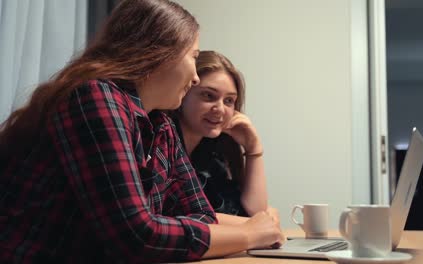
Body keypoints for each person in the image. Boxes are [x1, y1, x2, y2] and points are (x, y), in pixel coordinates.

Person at [0, 1, 283, 263]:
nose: (195, 76)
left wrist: (250, 228)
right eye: (192, 57)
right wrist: (248, 234)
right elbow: (136, 236)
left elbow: (200, 214)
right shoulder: (95, 97)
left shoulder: (161, 123)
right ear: (158, 54)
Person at [171, 51, 268, 224]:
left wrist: (254, 149)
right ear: (183, 92)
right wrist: (260, 224)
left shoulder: (211, 153)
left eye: (229, 100)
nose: (221, 109)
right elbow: (185, 218)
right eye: (208, 96)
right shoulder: (163, 143)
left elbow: (255, 210)